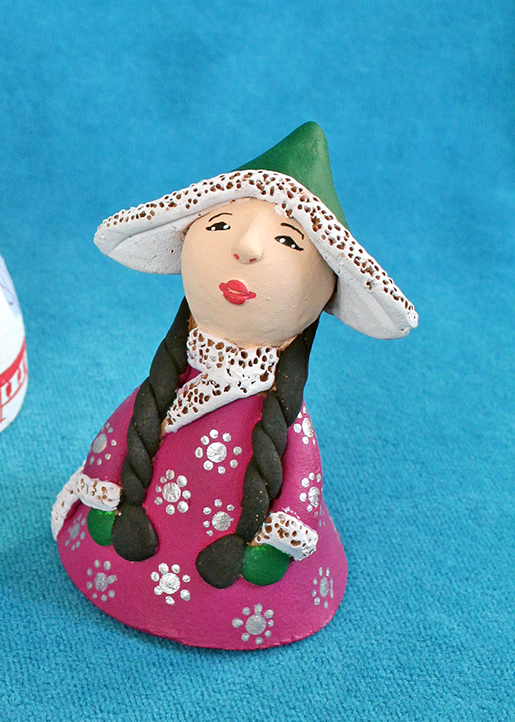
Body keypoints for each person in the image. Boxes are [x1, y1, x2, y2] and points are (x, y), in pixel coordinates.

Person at [52, 123, 417, 648]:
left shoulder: (284, 421)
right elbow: (121, 437)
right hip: (131, 536)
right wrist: (106, 494)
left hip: (240, 568)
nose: (246, 247)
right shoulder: (165, 387)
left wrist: (272, 543)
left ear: (325, 289)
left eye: (288, 241)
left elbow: (300, 481)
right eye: (221, 225)